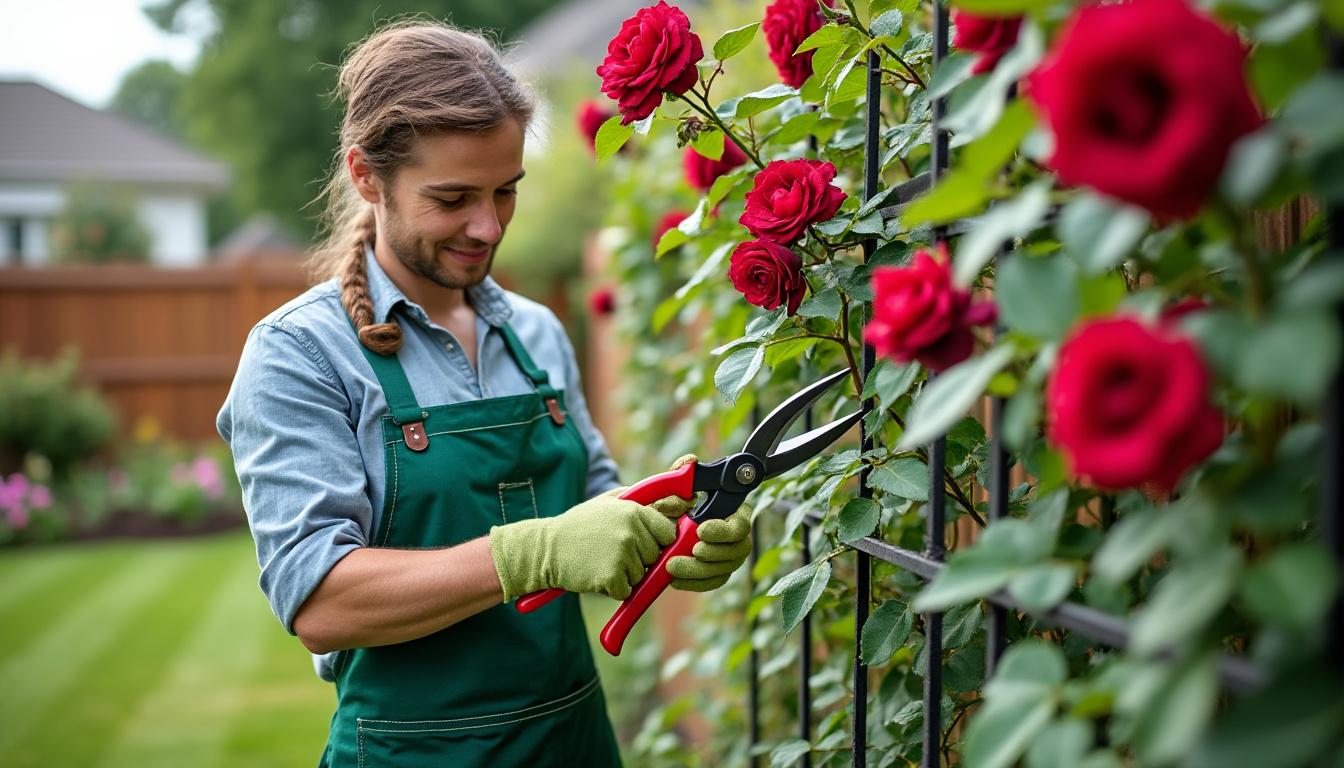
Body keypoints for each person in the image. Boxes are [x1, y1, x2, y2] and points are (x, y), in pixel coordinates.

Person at [216, 22, 752, 768]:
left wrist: (679, 531)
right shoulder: (300, 354)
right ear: (367, 177)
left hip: (575, 744)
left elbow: (597, 506)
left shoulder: (534, 332)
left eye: (506, 192)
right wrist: (534, 553)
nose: (487, 225)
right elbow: (320, 602)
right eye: (453, 197)